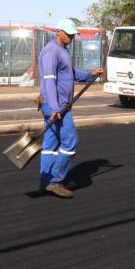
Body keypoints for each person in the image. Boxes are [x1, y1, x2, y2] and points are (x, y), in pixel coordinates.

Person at [37, 18, 105, 198]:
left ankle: (45, 181)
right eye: (68, 34)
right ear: (58, 32)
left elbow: (70, 74)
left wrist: (89, 73)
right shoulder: (51, 52)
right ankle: (55, 181)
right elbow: (49, 81)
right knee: (70, 141)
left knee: (51, 144)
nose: (72, 37)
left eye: (73, 34)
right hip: (56, 106)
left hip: (58, 106)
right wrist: (54, 108)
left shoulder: (63, 51)